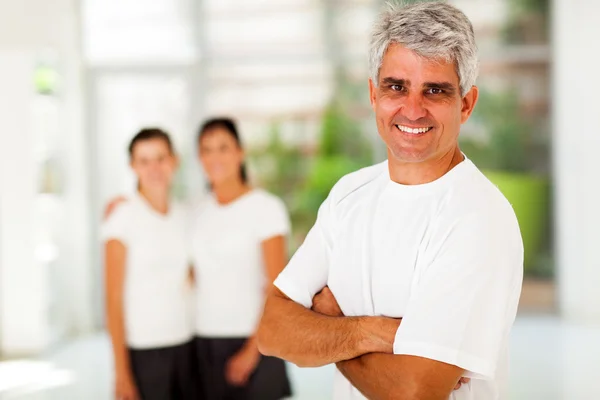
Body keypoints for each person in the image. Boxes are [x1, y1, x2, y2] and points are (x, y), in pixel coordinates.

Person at [257, 2, 524, 400]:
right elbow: (271, 329)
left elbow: (413, 393)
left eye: (435, 90)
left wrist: (332, 322)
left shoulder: (479, 218)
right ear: (373, 93)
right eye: (396, 86)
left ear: (466, 104)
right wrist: (370, 332)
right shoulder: (348, 196)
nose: (412, 110)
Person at [190, 117, 292, 400]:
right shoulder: (196, 212)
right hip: (203, 340)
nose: (215, 157)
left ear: (240, 152)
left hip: (255, 340)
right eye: (207, 149)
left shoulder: (266, 208)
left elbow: (277, 287)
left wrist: (252, 350)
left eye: (223, 147)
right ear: (200, 157)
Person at [102, 128, 197, 400]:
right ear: (133, 166)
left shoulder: (184, 214)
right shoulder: (121, 217)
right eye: (144, 160)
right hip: (143, 350)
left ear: (174, 160)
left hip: (186, 342)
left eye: (160, 158)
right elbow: (113, 299)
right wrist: (121, 373)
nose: (154, 168)